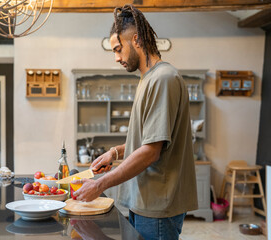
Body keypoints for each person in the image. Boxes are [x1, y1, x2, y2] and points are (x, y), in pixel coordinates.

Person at [72, 4, 198, 240]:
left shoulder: (164, 78)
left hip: (157, 205)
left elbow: (151, 152)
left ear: (137, 40)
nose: (116, 57)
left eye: (118, 49)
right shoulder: (148, 78)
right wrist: (115, 152)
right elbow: (147, 139)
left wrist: (100, 185)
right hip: (144, 201)